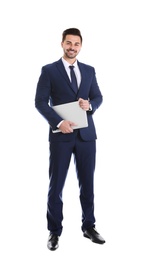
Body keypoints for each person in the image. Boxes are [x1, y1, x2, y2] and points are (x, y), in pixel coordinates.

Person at [35, 28, 105, 251]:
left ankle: (89, 227)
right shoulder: (49, 70)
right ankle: (54, 232)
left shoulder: (89, 70)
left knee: (88, 184)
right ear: (62, 44)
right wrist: (58, 122)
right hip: (61, 136)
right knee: (56, 186)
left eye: (76, 43)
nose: (72, 47)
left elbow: (98, 96)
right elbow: (40, 102)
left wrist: (90, 105)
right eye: (68, 43)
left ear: (81, 46)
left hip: (86, 136)